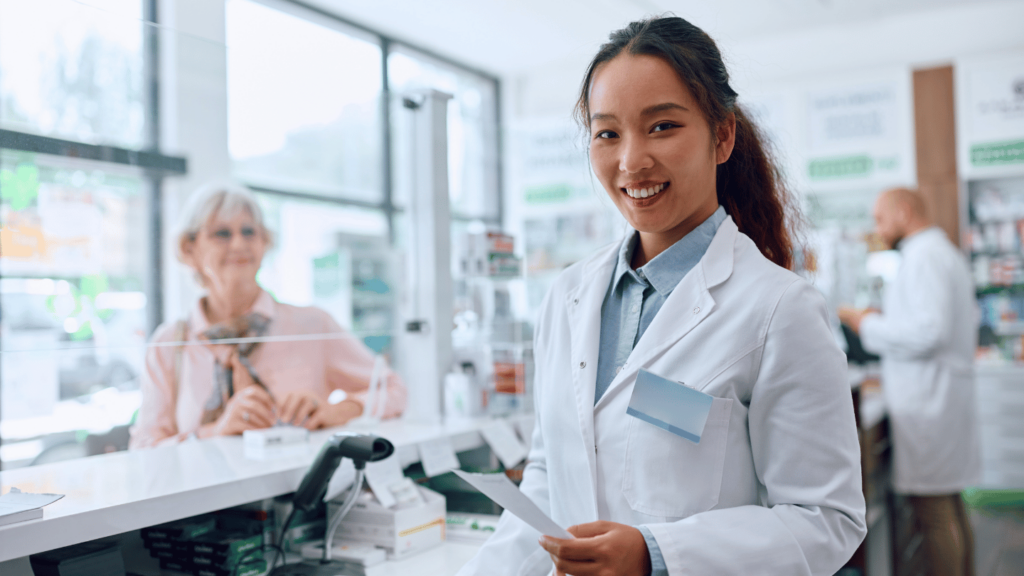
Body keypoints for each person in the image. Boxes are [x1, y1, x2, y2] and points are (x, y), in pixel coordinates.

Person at [457, 17, 865, 576]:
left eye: (662, 126)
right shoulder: (568, 297)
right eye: (607, 133)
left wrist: (656, 555)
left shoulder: (779, 310)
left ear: (721, 137)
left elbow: (825, 519)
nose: (631, 161)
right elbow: (552, 475)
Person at [129, 182, 407, 448]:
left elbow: (394, 390)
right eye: (222, 234)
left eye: (249, 232)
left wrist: (337, 411)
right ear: (190, 248)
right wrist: (216, 431)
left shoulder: (312, 325)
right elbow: (144, 448)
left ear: (265, 243)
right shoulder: (168, 344)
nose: (239, 244)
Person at [839, 187, 979, 576]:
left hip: (930, 401)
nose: (877, 228)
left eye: (880, 219)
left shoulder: (925, 258)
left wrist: (864, 322)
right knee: (946, 505)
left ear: (903, 212)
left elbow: (927, 333)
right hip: (936, 397)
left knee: (934, 512)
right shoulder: (933, 254)